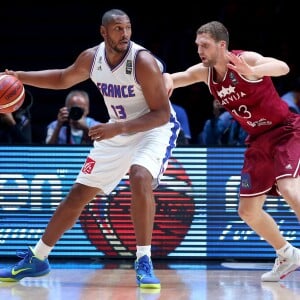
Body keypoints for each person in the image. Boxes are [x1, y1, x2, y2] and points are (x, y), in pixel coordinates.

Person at [0, 9, 180, 289]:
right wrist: (19, 76)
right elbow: (62, 78)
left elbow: (161, 114)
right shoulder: (91, 58)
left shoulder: (142, 61)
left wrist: (118, 128)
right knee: (78, 194)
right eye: (118, 29)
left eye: (128, 28)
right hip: (119, 128)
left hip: (153, 129)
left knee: (139, 176)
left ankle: (143, 260)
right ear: (104, 32)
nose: (125, 34)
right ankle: (38, 257)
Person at [164, 20, 300, 282]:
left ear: (221, 45)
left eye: (205, 45)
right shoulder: (205, 72)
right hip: (258, 139)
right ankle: (287, 254)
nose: (200, 51)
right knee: (247, 211)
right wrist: (161, 80)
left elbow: (282, 67)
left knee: (289, 188)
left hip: (285, 131)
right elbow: (176, 78)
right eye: (197, 46)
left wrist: (253, 69)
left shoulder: (243, 59)